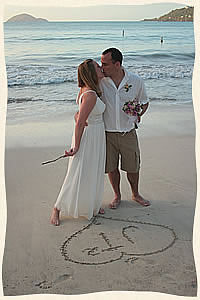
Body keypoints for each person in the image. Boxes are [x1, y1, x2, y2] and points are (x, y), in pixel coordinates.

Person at [50, 59, 106, 226]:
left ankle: (92, 205)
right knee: (78, 171)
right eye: (97, 67)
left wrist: (77, 116)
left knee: (93, 170)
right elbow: (80, 122)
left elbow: (79, 113)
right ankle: (57, 208)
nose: (101, 68)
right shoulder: (90, 94)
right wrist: (76, 147)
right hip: (89, 137)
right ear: (91, 73)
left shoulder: (88, 90)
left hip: (96, 135)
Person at [100, 47, 150, 209]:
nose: (102, 67)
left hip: (128, 132)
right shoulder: (100, 81)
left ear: (117, 64)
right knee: (111, 167)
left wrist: (138, 113)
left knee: (133, 166)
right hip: (107, 133)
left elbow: (144, 102)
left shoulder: (135, 81)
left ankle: (135, 194)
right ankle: (117, 195)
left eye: (105, 64)